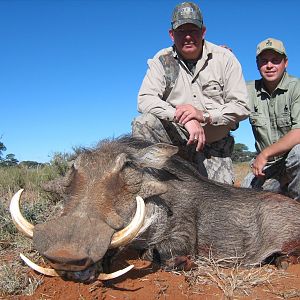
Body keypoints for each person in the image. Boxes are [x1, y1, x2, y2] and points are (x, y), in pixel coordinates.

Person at [131, 2, 250, 184]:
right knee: (145, 122)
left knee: (219, 203)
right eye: (181, 31)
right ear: (171, 34)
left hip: (214, 146)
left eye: (193, 30)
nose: (187, 37)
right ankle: (150, 186)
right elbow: (145, 100)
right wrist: (185, 118)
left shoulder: (225, 59)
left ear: (203, 32)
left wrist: (204, 115)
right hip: (179, 142)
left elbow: (241, 107)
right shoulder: (161, 61)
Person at [241, 37, 300, 200]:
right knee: (246, 195)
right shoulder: (247, 90)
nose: (269, 65)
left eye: (275, 60)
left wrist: (265, 154)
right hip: (269, 166)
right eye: (264, 60)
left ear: (285, 62)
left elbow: (299, 132)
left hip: (292, 160)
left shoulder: (297, 88)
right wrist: (220, 59)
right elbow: (226, 101)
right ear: (257, 63)